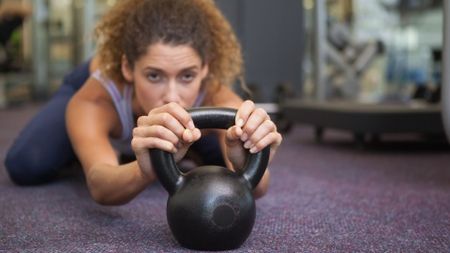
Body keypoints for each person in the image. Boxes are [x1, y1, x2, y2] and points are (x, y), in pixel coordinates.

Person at [5, 0, 282, 205]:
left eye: (187, 76)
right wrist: (143, 170)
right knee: (28, 164)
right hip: (93, 82)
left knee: (220, 158)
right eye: (154, 76)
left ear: (205, 67)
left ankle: (184, 147)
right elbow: (100, 184)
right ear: (128, 68)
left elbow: (257, 188)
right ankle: (100, 145)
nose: (172, 96)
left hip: (188, 106)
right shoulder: (98, 97)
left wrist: (247, 161)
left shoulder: (216, 95)